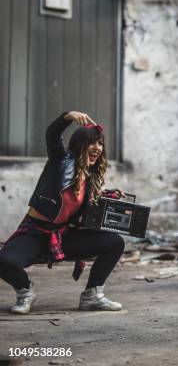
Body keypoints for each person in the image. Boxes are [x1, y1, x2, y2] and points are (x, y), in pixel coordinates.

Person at [0, 111, 126, 314]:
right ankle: (25, 291)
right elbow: (52, 134)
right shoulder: (60, 161)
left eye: (100, 143)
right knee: (4, 260)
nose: (97, 148)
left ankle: (92, 295)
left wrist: (107, 196)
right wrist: (68, 116)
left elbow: (81, 206)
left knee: (115, 242)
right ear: (79, 145)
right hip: (35, 233)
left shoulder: (90, 177)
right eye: (92, 142)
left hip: (63, 235)